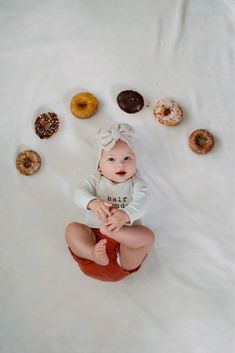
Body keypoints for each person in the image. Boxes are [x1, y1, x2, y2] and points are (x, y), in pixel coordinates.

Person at [65, 123, 155, 281]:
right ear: (99, 165)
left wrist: (125, 215)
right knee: (72, 229)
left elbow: (143, 204)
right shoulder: (96, 180)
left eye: (127, 158)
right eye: (111, 159)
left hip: (124, 252)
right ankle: (90, 252)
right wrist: (92, 202)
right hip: (94, 240)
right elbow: (78, 193)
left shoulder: (137, 183)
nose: (121, 164)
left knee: (147, 237)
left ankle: (114, 232)